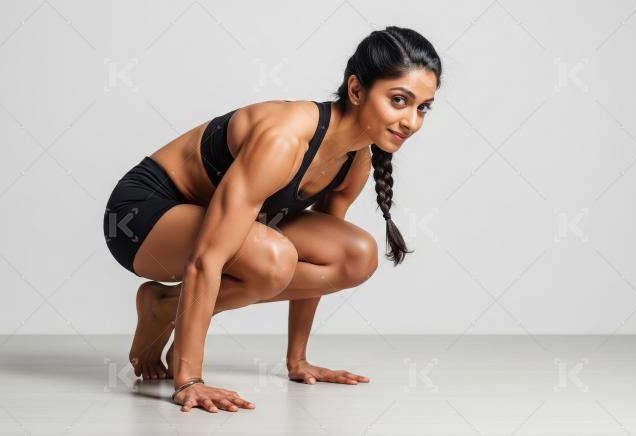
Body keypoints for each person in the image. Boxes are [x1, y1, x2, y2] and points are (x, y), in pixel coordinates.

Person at [102, 25, 441, 413]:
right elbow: (207, 257)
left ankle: (165, 304)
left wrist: (297, 361)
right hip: (142, 216)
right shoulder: (284, 138)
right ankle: (168, 312)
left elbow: (320, 263)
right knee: (274, 258)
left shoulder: (354, 163)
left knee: (356, 254)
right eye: (399, 100)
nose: (411, 122)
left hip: (222, 227)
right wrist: (189, 380)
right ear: (357, 90)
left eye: (422, 108)